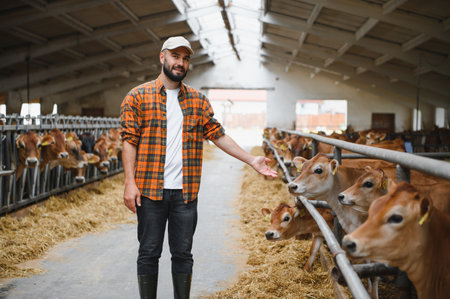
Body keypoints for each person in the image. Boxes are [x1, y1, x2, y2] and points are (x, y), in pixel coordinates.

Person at [120, 36, 277, 299]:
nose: (180, 63)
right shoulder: (137, 96)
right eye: (175, 56)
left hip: (185, 193)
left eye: (185, 58)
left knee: (183, 254)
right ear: (162, 57)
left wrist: (252, 160)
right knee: (148, 252)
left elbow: (218, 135)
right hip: (149, 191)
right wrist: (129, 182)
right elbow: (129, 141)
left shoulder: (198, 101)